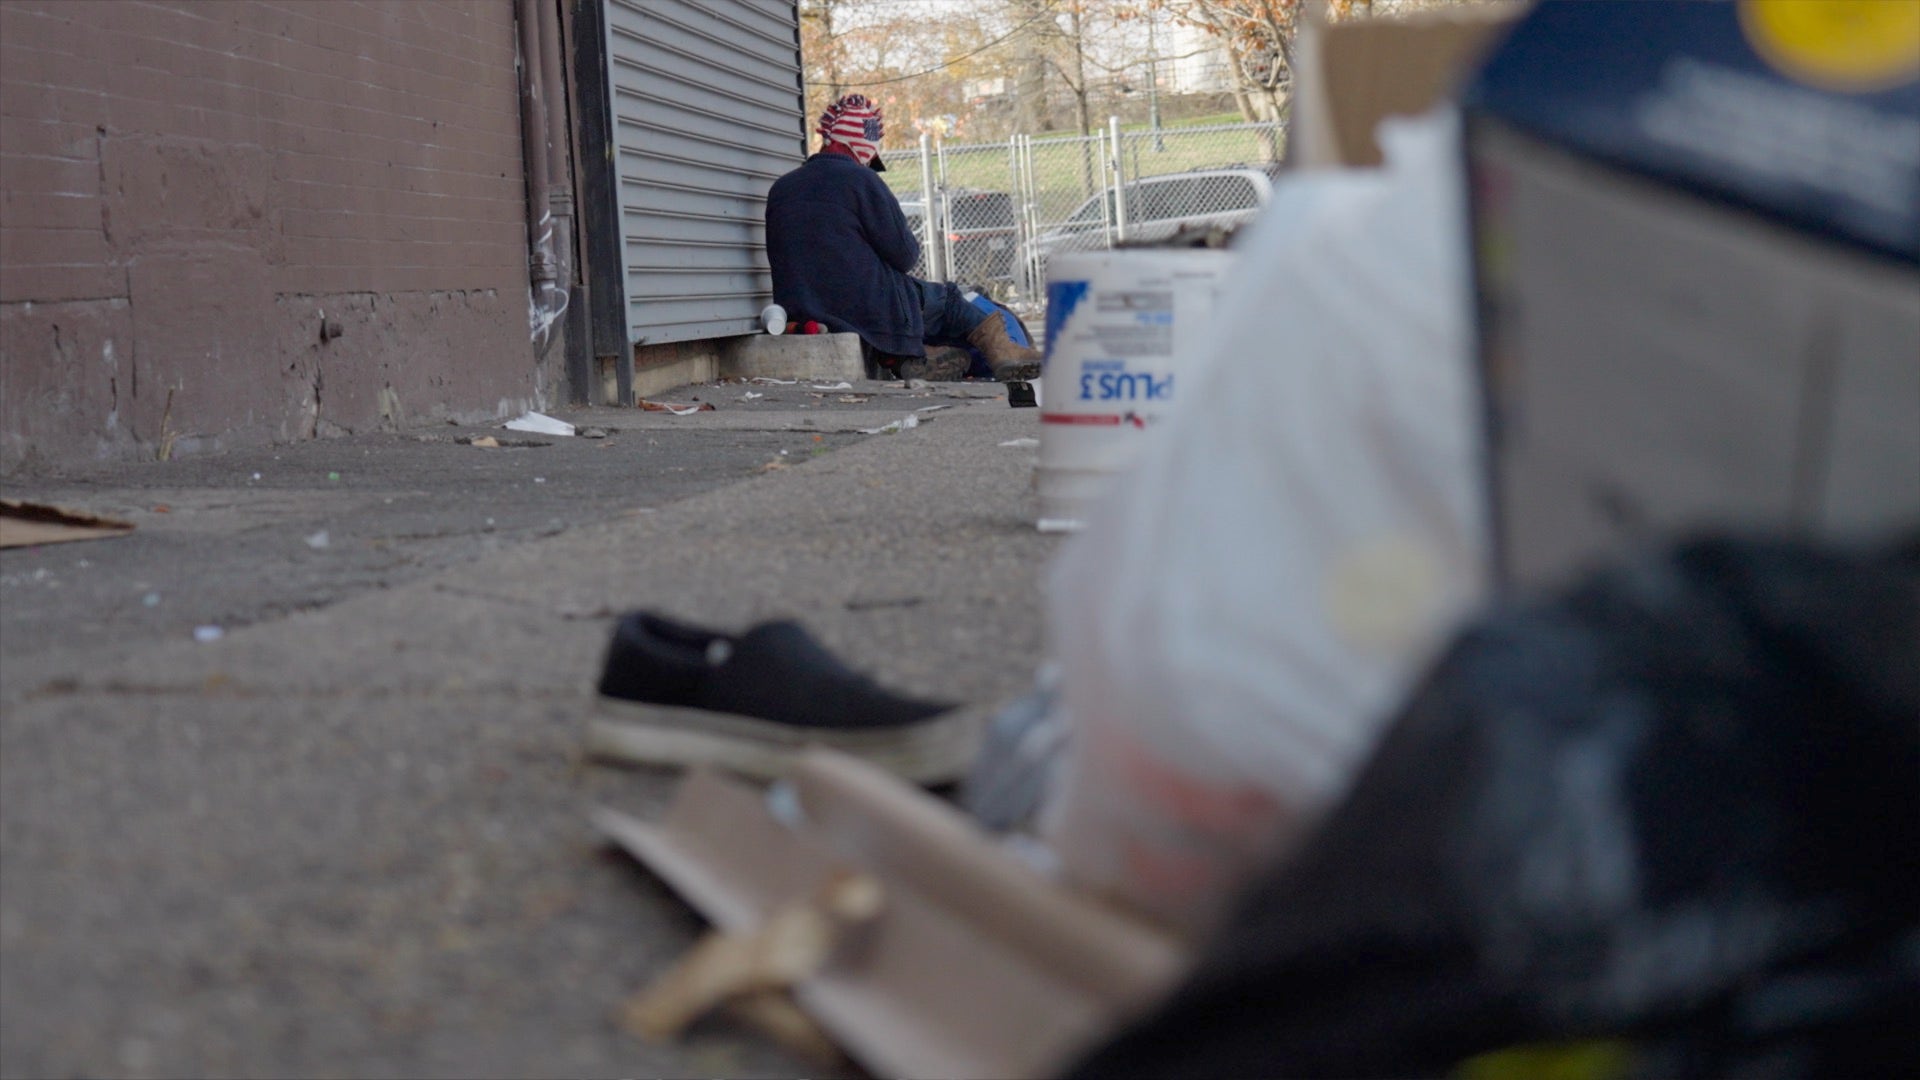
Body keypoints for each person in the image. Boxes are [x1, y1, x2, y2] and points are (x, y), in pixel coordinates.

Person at [764, 94, 1042, 382]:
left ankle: (917, 354)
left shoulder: (782, 188)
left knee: (910, 299)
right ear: (864, 143)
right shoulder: (862, 181)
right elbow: (905, 255)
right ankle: (1003, 354)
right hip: (865, 308)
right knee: (948, 301)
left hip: (801, 307)